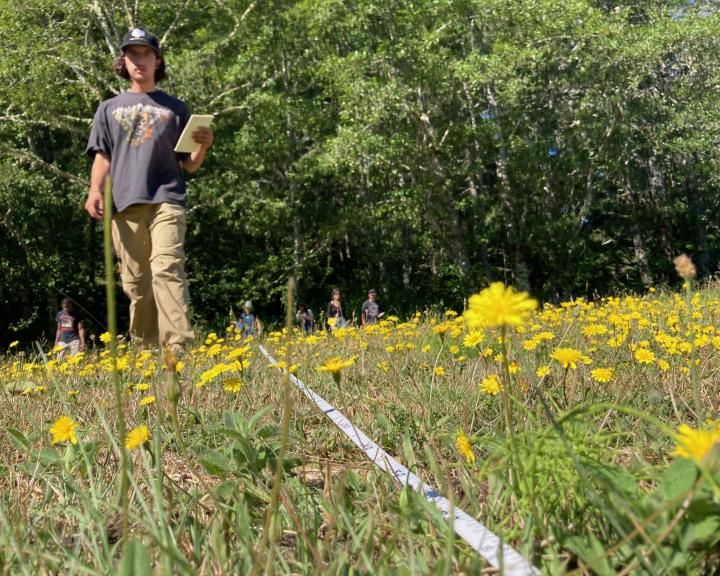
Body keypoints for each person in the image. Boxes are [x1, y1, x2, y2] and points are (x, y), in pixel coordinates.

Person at [84, 28, 213, 352]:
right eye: (132, 54)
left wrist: (203, 147)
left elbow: (190, 164)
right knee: (137, 284)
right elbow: (103, 156)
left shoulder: (176, 108)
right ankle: (145, 349)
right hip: (124, 204)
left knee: (166, 267)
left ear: (157, 60)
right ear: (123, 62)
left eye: (145, 54)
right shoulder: (108, 108)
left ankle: (177, 347)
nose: (139, 60)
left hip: (167, 198)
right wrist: (94, 190)